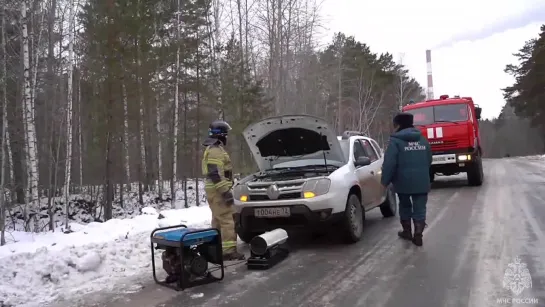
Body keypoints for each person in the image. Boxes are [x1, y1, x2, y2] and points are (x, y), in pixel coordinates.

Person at [380, 112, 432, 246]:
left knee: (405, 206)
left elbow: (389, 163)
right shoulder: (422, 139)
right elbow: (429, 159)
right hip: (421, 181)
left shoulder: (395, 142)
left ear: (398, 125)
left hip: (403, 181)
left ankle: (407, 232)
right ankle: (418, 234)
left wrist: (385, 181)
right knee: (420, 207)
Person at [202, 120, 245, 260]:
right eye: (226, 133)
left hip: (214, 191)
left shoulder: (213, 148)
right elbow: (215, 174)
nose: (227, 136)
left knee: (218, 220)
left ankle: (215, 250)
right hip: (218, 191)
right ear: (221, 134)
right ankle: (228, 251)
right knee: (227, 220)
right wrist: (225, 192)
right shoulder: (215, 150)